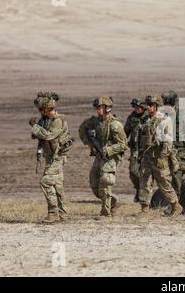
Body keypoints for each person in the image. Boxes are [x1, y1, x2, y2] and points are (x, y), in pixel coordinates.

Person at [79, 96, 128, 219]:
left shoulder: (115, 125)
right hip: (99, 156)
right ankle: (113, 201)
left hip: (110, 157)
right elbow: (82, 128)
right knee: (94, 183)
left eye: (100, 107)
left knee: (106, 181)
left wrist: (108, 149)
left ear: (107, 108)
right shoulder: (95, 121)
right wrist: (89, 142)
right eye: (97, 107)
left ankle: (105, 213)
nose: (97, 110)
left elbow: (123, 144)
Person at [30, 92, 73, 223]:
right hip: (50, 156)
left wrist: (35, 127)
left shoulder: (58, 121)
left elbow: (49, 136)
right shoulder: (45, 119)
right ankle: (63, 214)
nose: (39, 111)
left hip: (57, 157)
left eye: (41, 109)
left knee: (45, 181)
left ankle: (53, 213)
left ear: (47, 108)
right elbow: (38, 136)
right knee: (58, 185)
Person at [137, 95, 183, 216]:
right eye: (147, 104)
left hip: (159, 157)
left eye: (151, 105)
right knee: (144, 182)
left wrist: (163, 156)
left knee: (164, 183)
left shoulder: (164, 120)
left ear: (157, 106)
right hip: (147, 156)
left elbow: (168, 141)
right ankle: (144, 208)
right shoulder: (145, 120)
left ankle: (175, 205)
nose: (148, 107)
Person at [161, 90, 185, 210]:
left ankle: (174, 208)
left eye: (168, 102)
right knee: (167, 180)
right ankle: (181, 207)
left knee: (176, 180)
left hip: (180, 153)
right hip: (165, 153)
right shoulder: (161, 115)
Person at [124, 98, 149, 202]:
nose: (136, 109)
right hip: (135, 150)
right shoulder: (131, 118)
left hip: (147, 150)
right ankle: (139, 189)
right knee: (133, 172)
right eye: (135, 107)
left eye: (138, 107)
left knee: (147, 173)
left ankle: (145, 196)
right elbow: (125, 132)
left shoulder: (149, 117)